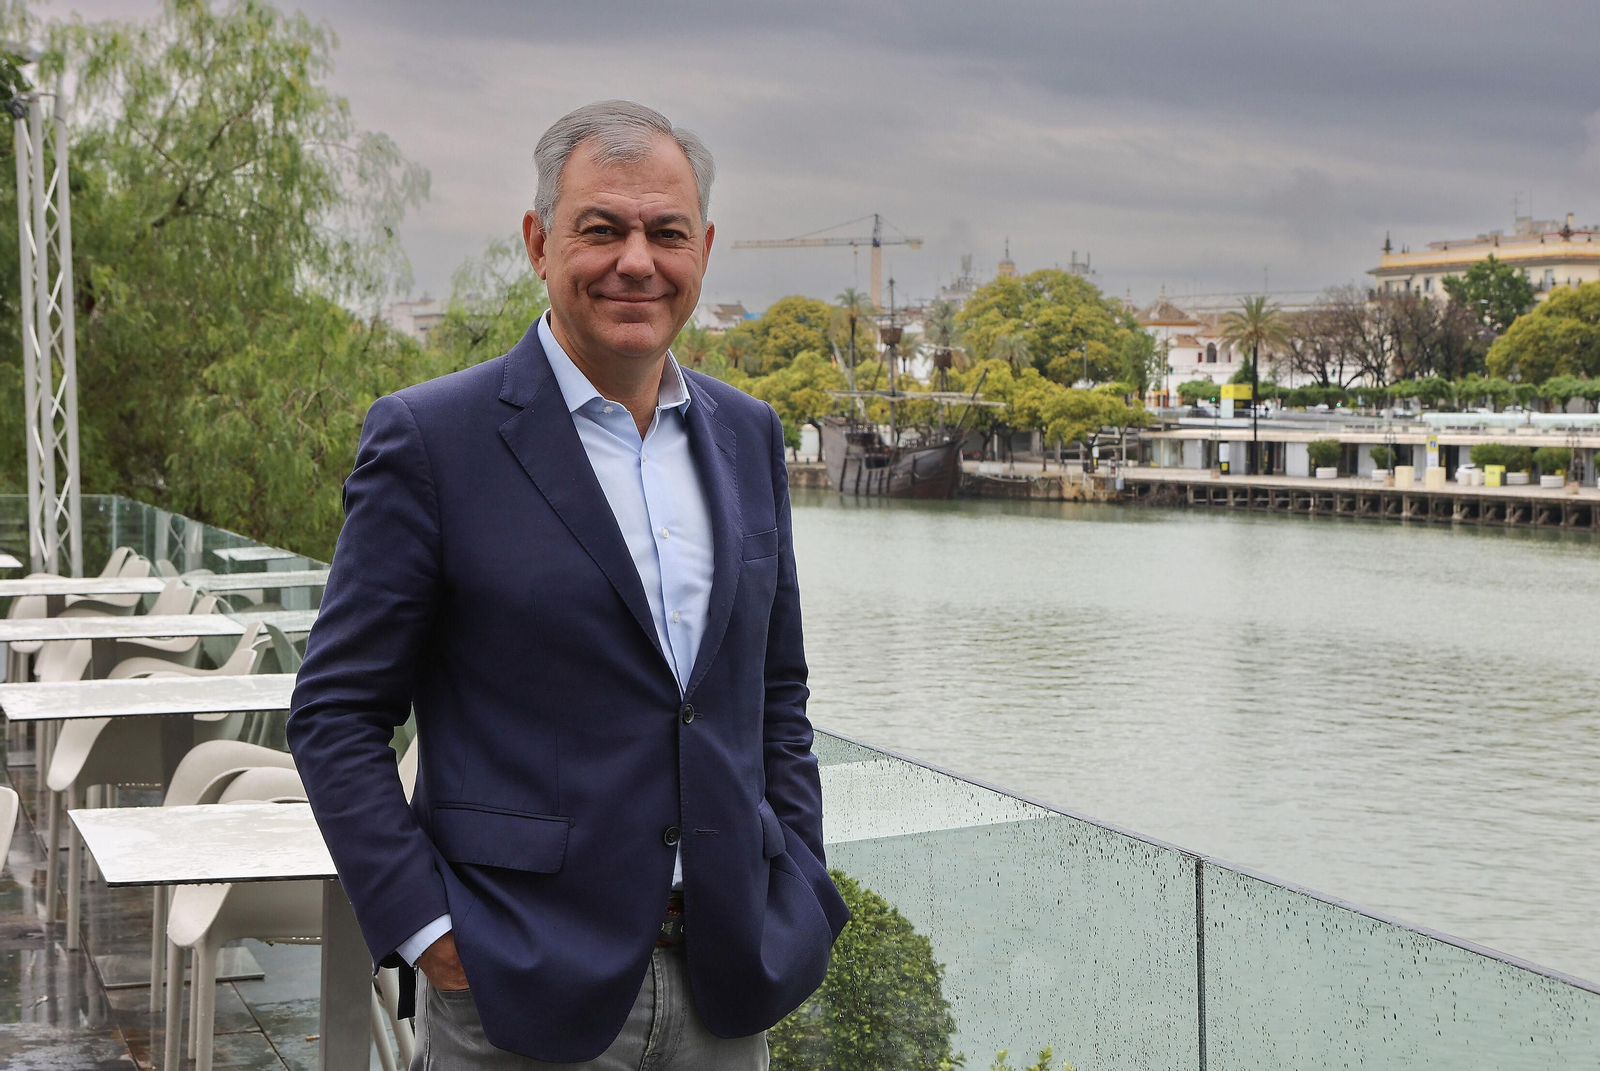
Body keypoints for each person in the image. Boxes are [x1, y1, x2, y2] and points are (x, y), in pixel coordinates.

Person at [288, 99, 848, 1069]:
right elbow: (336, 714)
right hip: (518, 990)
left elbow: (776, 698)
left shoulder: (748, 434)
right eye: (602, 228)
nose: (637, 259)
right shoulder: (431, 441)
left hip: (726, 981)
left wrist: (795, 878)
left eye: (665, 232)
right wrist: (432, 934)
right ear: (538, 242)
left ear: (703, 249)